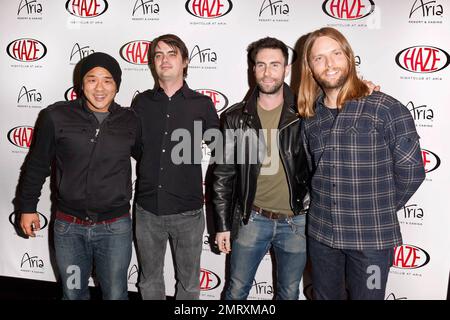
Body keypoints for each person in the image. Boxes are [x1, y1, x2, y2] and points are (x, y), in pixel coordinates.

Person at [297, 27, 426, 300]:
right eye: (319, 58)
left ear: (349, 58)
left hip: (371, 242)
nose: (329, 64)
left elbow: (412, 172)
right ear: (309, 67)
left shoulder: (385, 108)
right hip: (322, 236)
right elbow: (313, 171)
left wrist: (377, 209)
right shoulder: (311, 118)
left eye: (335, 54)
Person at [17, 52, 141, 300]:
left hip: (115, 229)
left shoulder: (130, 121)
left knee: (116, 294)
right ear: (81, 84)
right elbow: (37, 164)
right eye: (91, 79)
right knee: (73, 292)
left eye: (107, 80)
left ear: (116, 85)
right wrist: (27, 206)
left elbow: (150, 162)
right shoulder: (56, 116)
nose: (99, 88)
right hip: (69, 230)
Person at [212, 37, 310, 300]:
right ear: (252, 69)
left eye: (275, 65)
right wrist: (222, 225)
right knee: (236, 291)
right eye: (261, 65)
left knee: (289, 293)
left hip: (297, 221)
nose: (268, 73)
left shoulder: (306, 112)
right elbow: (223, 174)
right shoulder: (234, 118)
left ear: (286, 69)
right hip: (251, 219)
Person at [131, 34, 219, 300]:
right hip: (147, 210)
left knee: (190, 285)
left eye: (171, 54)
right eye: (158, 55)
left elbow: (220, 150)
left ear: (185, 62)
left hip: (188, 213)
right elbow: (136, 149)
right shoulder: (141, 103)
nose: (164, 60)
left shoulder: (202, 105)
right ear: (152, 63)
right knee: (149, 282)